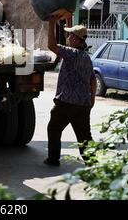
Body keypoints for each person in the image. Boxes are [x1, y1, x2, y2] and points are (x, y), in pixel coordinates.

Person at [46, 11, 96, 166]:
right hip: (83, 104)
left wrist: (51, 23)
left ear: (75, 39)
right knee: (84, 137)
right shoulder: (86, 57)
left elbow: (51, 46)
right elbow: (93, 81)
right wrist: (91, 101)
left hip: (66, 103)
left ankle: (53, 159)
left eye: (70, 36)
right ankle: (93, 163)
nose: (68, 38)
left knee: (53, 129)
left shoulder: (70, 54)